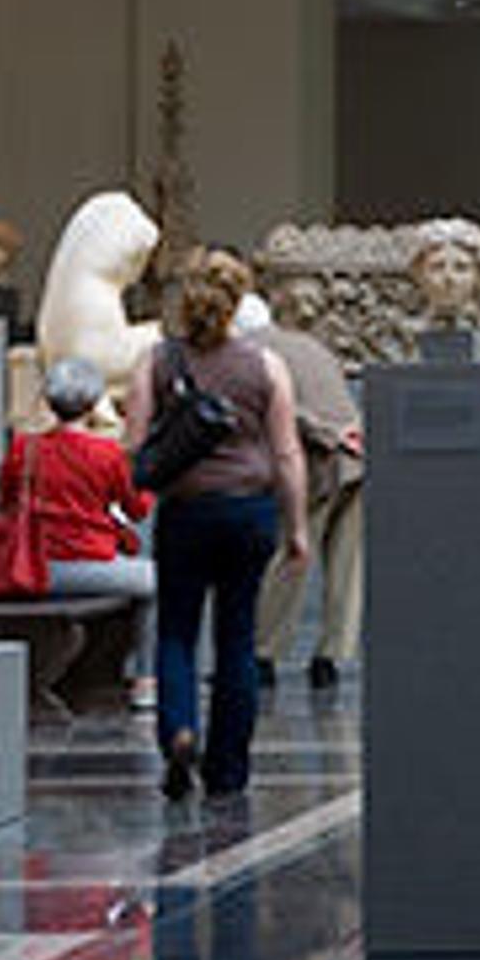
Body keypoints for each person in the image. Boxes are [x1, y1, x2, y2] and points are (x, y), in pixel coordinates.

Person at [122, 249, 307, 801]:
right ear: (238, 302)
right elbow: (288, 454)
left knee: (176, 631)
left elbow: (132, 447)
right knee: (237, 637)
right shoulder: (266, 366)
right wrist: (296, 527)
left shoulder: (156, 361)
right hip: (249, 511)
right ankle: (227, 770)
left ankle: (179, 729)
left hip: (186, 511)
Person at [246, 281, 364, 689]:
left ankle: (264, 652)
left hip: (321, 462)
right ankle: (331, 655)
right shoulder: (317, 347)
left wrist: (328, 434)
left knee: (292, 557)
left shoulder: (256, 348)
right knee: (347, 566)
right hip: (357, 459)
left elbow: (286, 409)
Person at [0, 359, 154, 601]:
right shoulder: (108, 453)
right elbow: (138, 510)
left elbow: (6, 501)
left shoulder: (23, 448)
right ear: (93, 404)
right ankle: (137, 641)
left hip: (30, 566)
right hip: (90, 562)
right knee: (159, 580)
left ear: (49, 401)